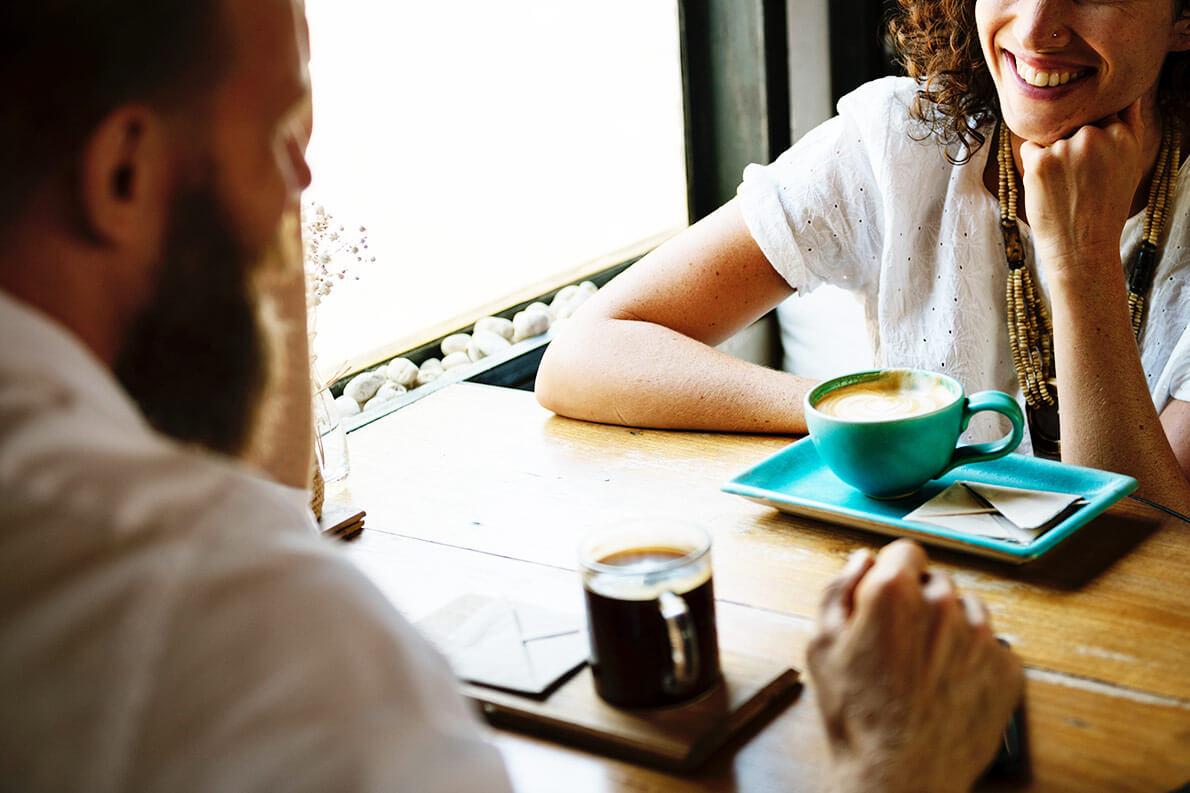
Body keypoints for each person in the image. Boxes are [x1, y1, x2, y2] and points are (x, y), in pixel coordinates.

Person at [0, 1, 1021, 791]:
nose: (300, 190)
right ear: (122, 174)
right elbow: (586, 350)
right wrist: (893, 765)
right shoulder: (255, 634)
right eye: (276, 136)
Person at [536, 0, 1190, 513]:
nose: (1039, 25)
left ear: (1182, 19)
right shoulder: (907, 138)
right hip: (914, 607)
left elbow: (1157, 545)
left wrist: (1082, 260)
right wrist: (868, 418)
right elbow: (584, 355)